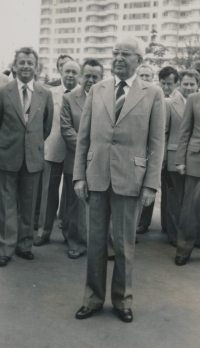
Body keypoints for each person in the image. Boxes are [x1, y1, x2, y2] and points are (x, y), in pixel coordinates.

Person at [73, 36, 165, 322]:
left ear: (139, 60)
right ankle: (92, 298)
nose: (118, 59)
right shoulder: (97, 90)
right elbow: (83, 138)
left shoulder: (153, 93)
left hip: (131, 178)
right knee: (96, 243)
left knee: (125, 245)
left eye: (125, 54)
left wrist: (151, 183)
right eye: (115, 54)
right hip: (97, 175)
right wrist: (79, 176)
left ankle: (123, 301)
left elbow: (156, 142)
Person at [0, 47, 53, 266]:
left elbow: (46, 127)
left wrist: (33, 144)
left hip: (33, 157)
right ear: (14, 65)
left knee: (29, 204)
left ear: (36, 67)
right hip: (7, 155)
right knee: (7, 204)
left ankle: (24, 245)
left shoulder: (45, 93)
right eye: (21, 62)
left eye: (30, 63)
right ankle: (5, 247)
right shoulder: (4, 91)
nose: (25, 66)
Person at [33, 60, 81, 247]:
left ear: (79, 76)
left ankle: (69, 233)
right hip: (52, 148)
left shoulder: (84, 96)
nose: (70, 75)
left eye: (74, 72)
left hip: (74, 152)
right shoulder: (50, 94)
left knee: (71, 195)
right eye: (67, 71)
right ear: (60, 71)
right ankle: (43, 231)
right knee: (48, 192)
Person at [60, 58, 103, 259]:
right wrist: (88, 148)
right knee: (76, 204)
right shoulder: (69, 98)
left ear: (102, 78)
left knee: (98, 203)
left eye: (96, 76)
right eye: (87, 76)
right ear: (80, 76)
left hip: (101, 161)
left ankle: (97, 241)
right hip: (76, 158)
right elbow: (66, 129)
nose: (91, 80)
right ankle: (75, 242)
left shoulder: (108, 99)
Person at [165, 69, 199, 248]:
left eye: (192, 84)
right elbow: (171, 132)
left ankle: (194, 236)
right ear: (179, 84)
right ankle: (177, 237)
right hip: (180, 157)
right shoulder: (172, 103)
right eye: (185, 83)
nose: (188, 87)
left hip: (192, 158)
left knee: (192, 203)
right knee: (179, 201)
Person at [175, 80, 200, 265]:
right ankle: (183, 250)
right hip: (195, 160)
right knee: (190, 208)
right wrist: (180, 160)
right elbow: (184, 133)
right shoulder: (194, 99)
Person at [158, 66, 179, 235]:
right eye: (163, 83)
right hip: (158, 151)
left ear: (176, 83)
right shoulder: (158, 97)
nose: (166, 88)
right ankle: (165, 227)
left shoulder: (178, 100)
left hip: (171, 153)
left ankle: (168, 227)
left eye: (169, 84)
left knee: (170, 192)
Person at [136, 64, 155, 234]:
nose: (144, 78)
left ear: (152, 77)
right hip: (134, 153)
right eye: (141, 75)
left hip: (150, 152)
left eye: (147, 76)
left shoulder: (156, 96)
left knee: (148, 189)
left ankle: (143, 223)